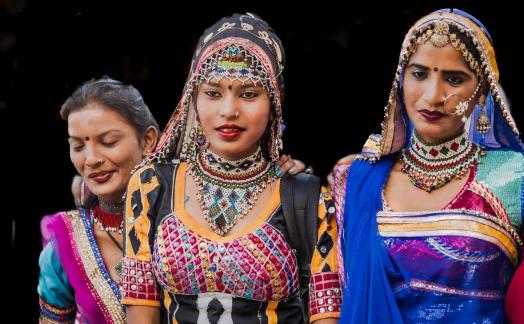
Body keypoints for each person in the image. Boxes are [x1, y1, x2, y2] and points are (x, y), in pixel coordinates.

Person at [122, 13, 340, 324]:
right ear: (193, 100)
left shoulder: (309, 198)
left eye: (249, 94)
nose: (229, 111)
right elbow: (141, 314)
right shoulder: (150, 186)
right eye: (212, 93)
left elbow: (325, 317)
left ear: (274, 102)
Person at [334, 8, 524, 323]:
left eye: (453, 79)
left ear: (483, 92)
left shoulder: (514, 177)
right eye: (419, 74)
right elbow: (331, 295)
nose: (433, 96)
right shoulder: (355, 179)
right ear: (400, 79)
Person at [37, 77, 160, 323]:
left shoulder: (184, 225)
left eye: (108, 142)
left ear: (147, 140)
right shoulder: (64, 243)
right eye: (78, 146)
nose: (91, 159)